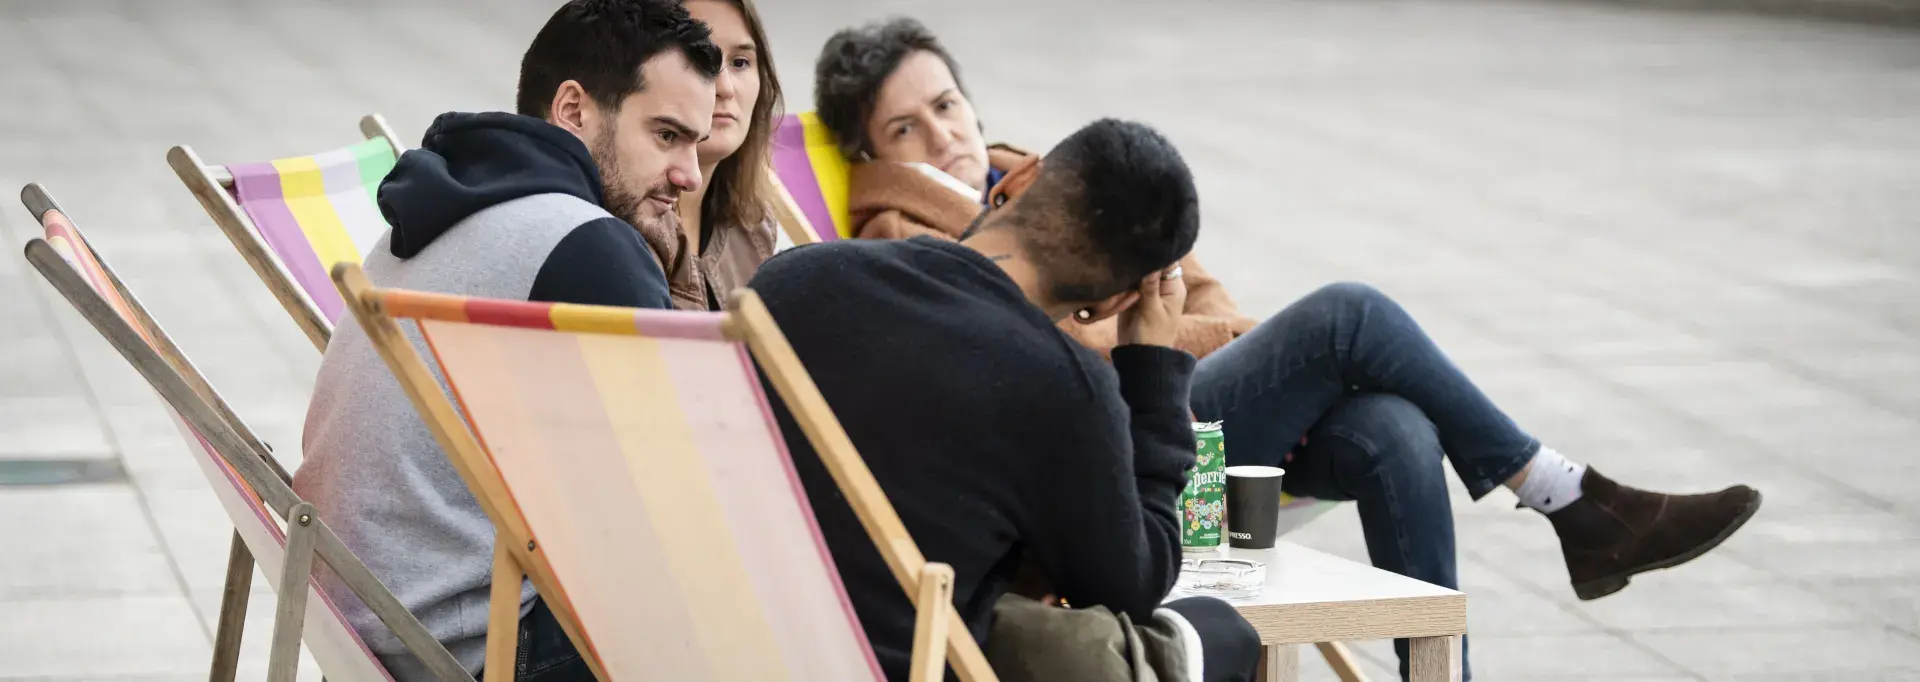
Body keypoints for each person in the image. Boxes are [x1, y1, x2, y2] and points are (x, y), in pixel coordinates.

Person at [813, 18, 1764, 681]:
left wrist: (1203, 341)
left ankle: (1457, 663)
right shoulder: (905, 235)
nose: (942, 133)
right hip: (1133, 445)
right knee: (1347, 317)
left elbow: (1215, 311)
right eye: (905, 128)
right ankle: (1570, 498)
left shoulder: (1056, 179)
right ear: (871, 155)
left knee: (1392, 424)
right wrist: (1192, 348)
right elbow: (1085, 364)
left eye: (947, 103)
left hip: (1175, 419)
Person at [749, 118, 1261, 682]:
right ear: (1114, 303)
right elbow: (1131, 588)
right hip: (897, 667)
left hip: (728, 644)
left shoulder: (791, 281)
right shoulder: (1065, 389)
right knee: (1223, 633)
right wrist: (1152, 369)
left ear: (1016, 180)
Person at [297, 1, 720, 679]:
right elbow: (696, 480)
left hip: (355, 622)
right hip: (470, 640)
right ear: (574, 109)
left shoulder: (457, 206)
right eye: (666, 135)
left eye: (696, 144)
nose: (690, 173)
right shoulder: (585, 242)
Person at [658, 0, 785, 310]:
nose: (725, 87)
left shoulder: (754, 226)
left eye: (740, 62)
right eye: (700, 59)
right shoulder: (623, 223)